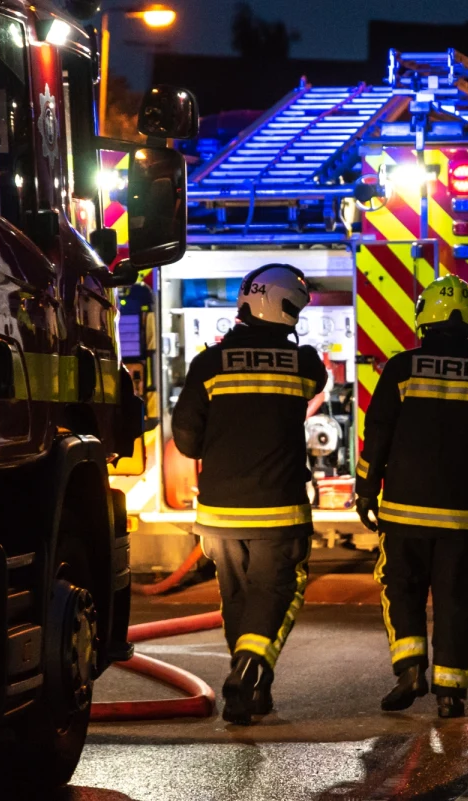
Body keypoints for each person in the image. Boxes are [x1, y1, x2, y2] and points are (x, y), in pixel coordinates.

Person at [354, 275, 468, 719]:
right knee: (457, 599)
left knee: (401, 590)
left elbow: (377, 436)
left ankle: (410, 670)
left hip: (405, 512)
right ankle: (451, 693)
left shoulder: (400, 368)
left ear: (423, 320)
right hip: (465, 518)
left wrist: (366, 488)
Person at [171, 264, 328, 725]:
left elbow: (185, 438)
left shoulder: (207, 364)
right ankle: (247, 672)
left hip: (218, 515)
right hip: (279, 511)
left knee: (236, 596)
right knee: (277, 591)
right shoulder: (305, 364)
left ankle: (253, 693)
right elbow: (315, 388)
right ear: (288, 311)